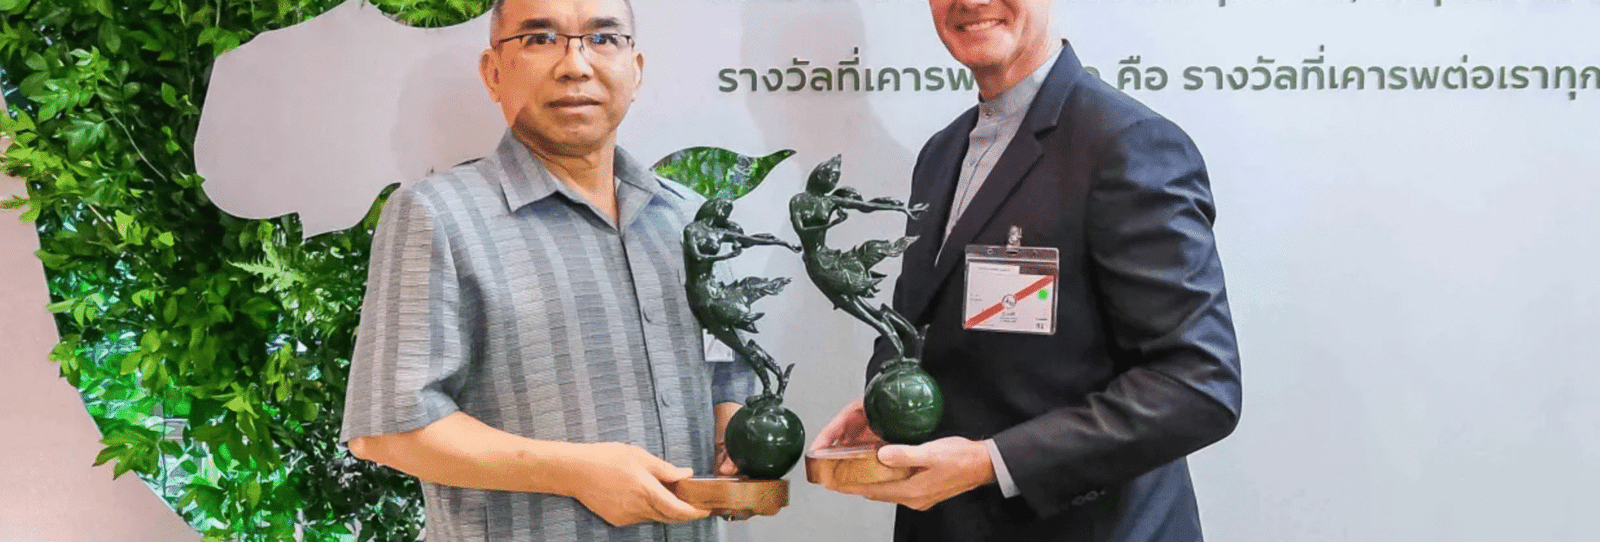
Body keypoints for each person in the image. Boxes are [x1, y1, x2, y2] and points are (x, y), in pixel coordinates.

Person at [810, 0, 1244, 540]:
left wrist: (993, 461)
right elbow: (932, 331)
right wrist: (889, 407)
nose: (970, 2)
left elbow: (1197, 385)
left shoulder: (1125, 143)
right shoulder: (941, 154)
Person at [339, 0, 754, 540]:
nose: (575, 64)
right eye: (540, 39)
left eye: (603, 39)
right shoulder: (439, 215)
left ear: (637, 69)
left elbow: (724, 370)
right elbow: (387, 429)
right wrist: (573, 472)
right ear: (492, 72)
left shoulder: (689, 220)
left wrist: (731, 435)